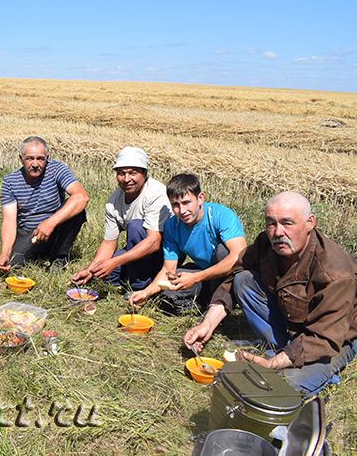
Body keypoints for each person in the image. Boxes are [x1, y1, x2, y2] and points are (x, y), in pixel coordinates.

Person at [184, 191, 357, 395]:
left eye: (287, 223)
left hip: (331, 339)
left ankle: (309, 367)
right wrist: (208, 324)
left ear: (310, 222)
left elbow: (323, 339)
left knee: (281, 387)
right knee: (244, 279)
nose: (278, 232)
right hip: (291, 320)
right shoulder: (267, 243)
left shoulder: (336, 273)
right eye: (271, 223)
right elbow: (234, 276)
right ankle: (279, 347)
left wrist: (273, 364)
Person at [129, 174, 247, 313]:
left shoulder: (221, 215)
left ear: (200, 198)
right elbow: (168, 270)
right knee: (166, 296)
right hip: (202, 272)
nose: (182, 211)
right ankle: (204, 301)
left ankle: (220, 302)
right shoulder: (172, 226)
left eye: (186, 202)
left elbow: (238, 257)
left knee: (222, 251)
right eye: (176, 205)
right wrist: (146, 292)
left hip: (229, 273)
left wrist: (196, 278)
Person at [71, 146, 171, 290]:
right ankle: (144, 278)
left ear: (144, 173)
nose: (126, 179)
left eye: (133, 173)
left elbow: (154, 242)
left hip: (165, 254)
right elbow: (108, 243)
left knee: (135, 226)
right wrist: (90, 270)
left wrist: (115, 262)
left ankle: (139, 287)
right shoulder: (114, 201)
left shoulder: (156, 193)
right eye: (121, 173)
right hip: (139, 251)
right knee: (101, 275)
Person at [0, 136, 89, 272]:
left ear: (47, 158)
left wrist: (50, 223)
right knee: (14, 265)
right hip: (29, 233)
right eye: (29, 158)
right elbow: (9, 221)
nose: (35, 164)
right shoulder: (10, 182)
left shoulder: (57, 169)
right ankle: (37, 254)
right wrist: (4, 253)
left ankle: (59, 258)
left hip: (55, 228)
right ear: (21, 159)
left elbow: (82, 197)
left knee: (77, 208)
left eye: (40, 159)